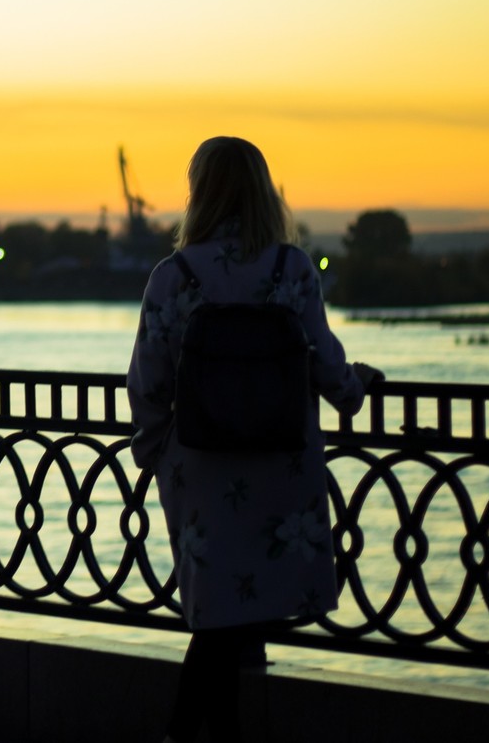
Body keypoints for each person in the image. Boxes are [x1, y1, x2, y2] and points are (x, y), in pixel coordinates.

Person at [127, 136, 381, 743]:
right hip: (280, 464)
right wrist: (355, 390)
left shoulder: (175, 276)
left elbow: (147, 380)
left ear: (200, 193)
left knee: (218, 610)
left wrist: (155, 450)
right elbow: (326, 363)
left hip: (202, 468)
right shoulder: (290, 269)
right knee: (239, 614)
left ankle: (189, 733)